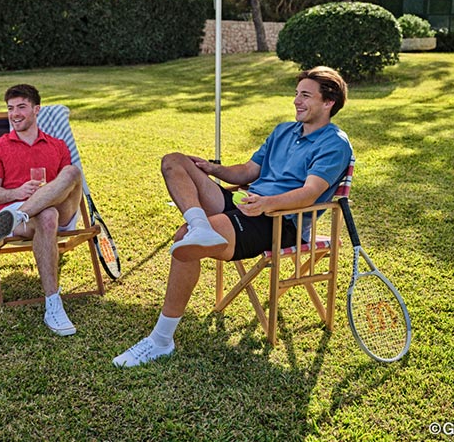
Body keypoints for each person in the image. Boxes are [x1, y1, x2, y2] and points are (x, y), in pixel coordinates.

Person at [113, 66, 353, 367]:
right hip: (248, 203)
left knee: (184, 240)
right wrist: (213, 169)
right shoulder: (284, 131)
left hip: (280, 220)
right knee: (174, 161)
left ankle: (161, 340)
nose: (296, 101)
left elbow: (309, 193)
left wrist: (266, 203)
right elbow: (248, 172)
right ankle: (200, 226)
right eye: (296, 94)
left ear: (329, 102)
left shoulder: (334, 143)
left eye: (305, 95)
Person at [0, 84, 84, 336]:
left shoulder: (57, 145)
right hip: (19, 210)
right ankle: (53, 304)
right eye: (10, 108)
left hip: (57, 208)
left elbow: (67, 186)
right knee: (47, 216)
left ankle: (21, 214)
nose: (14, 114)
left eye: (21, 107)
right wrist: (17, 193)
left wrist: (44, 194)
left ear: (36, 110)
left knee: (72, 172)